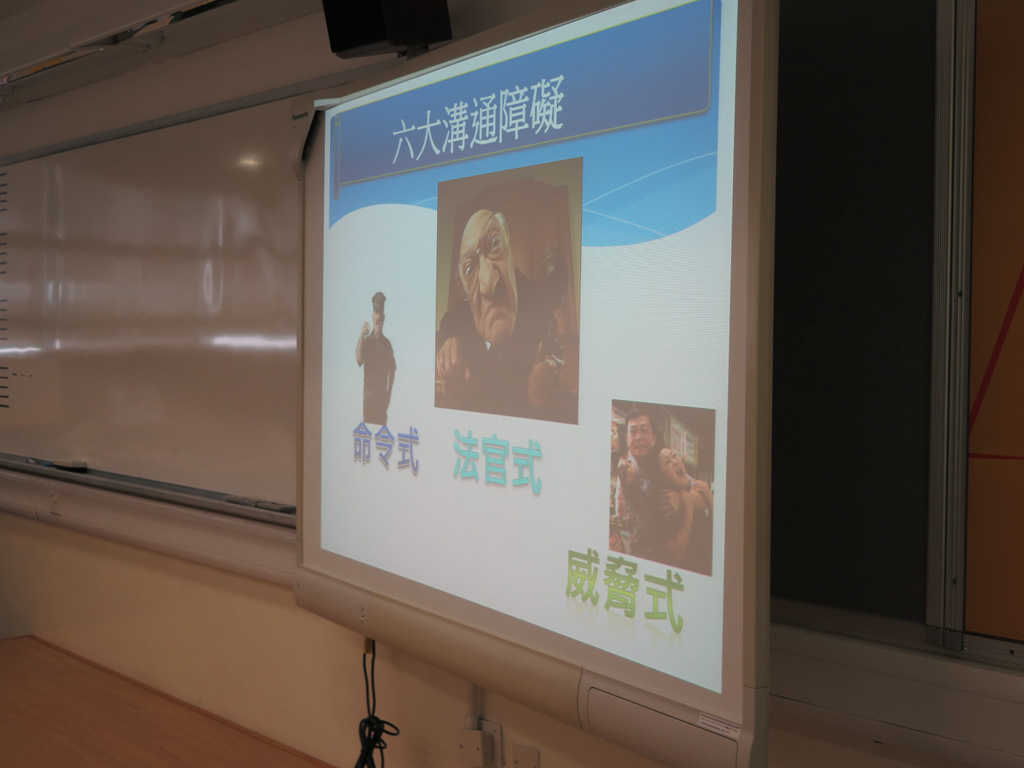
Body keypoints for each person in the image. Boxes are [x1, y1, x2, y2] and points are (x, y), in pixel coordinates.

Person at [435, 209, 562, 418]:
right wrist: (447, 344)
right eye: (470, 269)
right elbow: (449, 325)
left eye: (494, 244)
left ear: (510, 253)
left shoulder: (538, 304)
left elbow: (553, 353)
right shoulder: (461, 315)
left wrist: (546, 377)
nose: (489, 283)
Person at [656, 447, 714, 575]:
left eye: (674, 456)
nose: (675, 461)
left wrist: (709, 498)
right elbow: (675, 555)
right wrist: (688, 513)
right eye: (667, 462)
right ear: (662, 477)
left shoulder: (692, 490)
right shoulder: (665, 505)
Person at [355, 291, 395, 425]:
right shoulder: (367, 341)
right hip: (369, 402)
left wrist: (388, 395)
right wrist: (362, 334)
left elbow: (392, 371)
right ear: (373, 316)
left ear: (384, 317)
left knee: (380, 435)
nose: (379, 317)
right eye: (376, 313)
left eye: (381, 313)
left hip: (381, 404)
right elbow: (359, 359)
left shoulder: (387, 344)